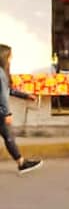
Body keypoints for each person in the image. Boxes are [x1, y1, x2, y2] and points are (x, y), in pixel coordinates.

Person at [0, 45, 42, 175]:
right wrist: (7, 113)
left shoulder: (3, 71)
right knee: (8, 137)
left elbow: (8, 91)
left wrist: (25, 96)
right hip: (1, 111)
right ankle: (21, 163)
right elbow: (2, 95)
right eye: (10, 55)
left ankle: (21, 162)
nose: (12, 57)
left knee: (8, 136)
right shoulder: (0, 73)